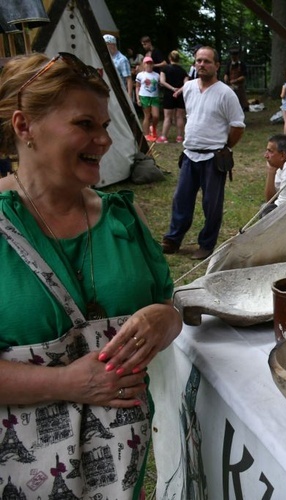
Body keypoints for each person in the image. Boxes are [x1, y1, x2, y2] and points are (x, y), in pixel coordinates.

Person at [0, 52, 182, 499]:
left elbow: (172, 308)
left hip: (121, 466)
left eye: (104, 126)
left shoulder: (123, 217)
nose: (103, 141)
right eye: (85, 124)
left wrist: (164, 317)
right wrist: (65, 383)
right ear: (24, 127)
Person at [161, 47, 245, 260]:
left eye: (207, 61)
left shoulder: (226, 93)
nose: (201, 64)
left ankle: (206, 244)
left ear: (216, 65)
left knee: (212, 204)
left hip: (213, 158)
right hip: (190, 155)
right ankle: (173, 239)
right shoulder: (188, 87)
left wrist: (224, 146)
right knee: (181, 199)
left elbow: (238, 125)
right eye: (198, 60)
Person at [157, 50, 188, 143]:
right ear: (178, 59)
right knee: (180, 116)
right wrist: (178, 91)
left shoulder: (165, 69)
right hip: (180, 95)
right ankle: (180, 137)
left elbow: (162, 81)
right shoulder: (183, 71)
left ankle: (163, 137)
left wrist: (172, 89)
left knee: (167, 117)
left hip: (169, 94)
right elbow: (186, 84)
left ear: (169, 58)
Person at [135, 56, 160, 141]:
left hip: (154, 97)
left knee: (156, 116)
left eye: (150, 63)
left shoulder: (157, 75)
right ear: (144, 64)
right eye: (147, 63)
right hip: (144, 96)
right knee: (147, 116)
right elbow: (137, 87)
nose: (149, 65)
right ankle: (146, 134)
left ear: (153, 64)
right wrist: (137, 98)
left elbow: (160, 85)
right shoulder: (140, 75)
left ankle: (153, 128)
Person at [103, 34, 133, 102]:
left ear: (112, 44)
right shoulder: (108, 58)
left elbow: (128, 79)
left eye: (106, 44)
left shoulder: (122, 60)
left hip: (120, 94)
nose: (104, 47)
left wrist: (129, 97)